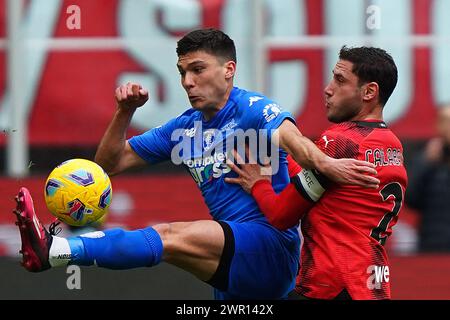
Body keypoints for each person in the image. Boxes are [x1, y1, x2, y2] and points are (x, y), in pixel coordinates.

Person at [13, 29, 378, 300]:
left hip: (270, 249)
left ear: (228, 70)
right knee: (171, 241)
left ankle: (59, 250)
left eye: (198, 69)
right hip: (231, 264)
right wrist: (124, 112)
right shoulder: (183, 127)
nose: (188, 81)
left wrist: (328, 165)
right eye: (182, 71)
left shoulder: (254, 109)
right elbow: (107, 164)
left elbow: (296, 144)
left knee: (170, 236)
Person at [226, 46, 408, 300]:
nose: (328, 88)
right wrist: (280, 151)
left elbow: (281, 215)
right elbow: (324, 184)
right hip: (373, 287)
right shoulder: (392, 145)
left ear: (369, 92)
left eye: (340, 80)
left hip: (330, 286)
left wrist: (257, 182)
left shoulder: (339, 142)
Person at [406, 104, 450, 252]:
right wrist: (426, 163)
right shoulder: (425, 158)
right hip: (432, 243)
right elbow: (410, 199)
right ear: (438, 125)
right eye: (446, 121)